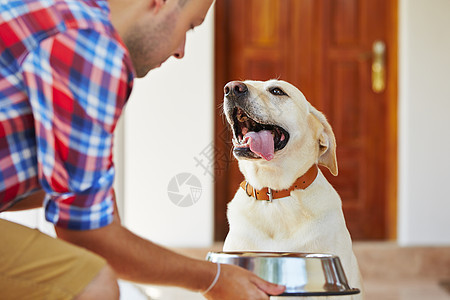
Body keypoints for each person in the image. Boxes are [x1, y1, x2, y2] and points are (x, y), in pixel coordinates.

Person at [0, 0, 287, 299]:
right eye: (189, 26)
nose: (181, 50)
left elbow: (74, 195)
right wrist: (213, 278)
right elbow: (87, 236)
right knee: (92, 283)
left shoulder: (63, 12)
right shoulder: (91, 46)